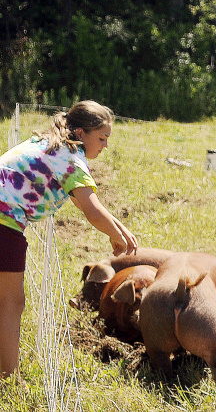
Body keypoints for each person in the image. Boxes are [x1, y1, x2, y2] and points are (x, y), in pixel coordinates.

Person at [0, 100, 139, 378]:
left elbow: (91, 205)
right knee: (11, 302)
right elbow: (92, 211)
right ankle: (8, 377)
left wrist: (119, 229)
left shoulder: (49, 144)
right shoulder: (72, 159)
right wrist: (119, 237)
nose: (105, 145)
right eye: (102, 138)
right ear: (80, 133)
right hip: (4, 220)